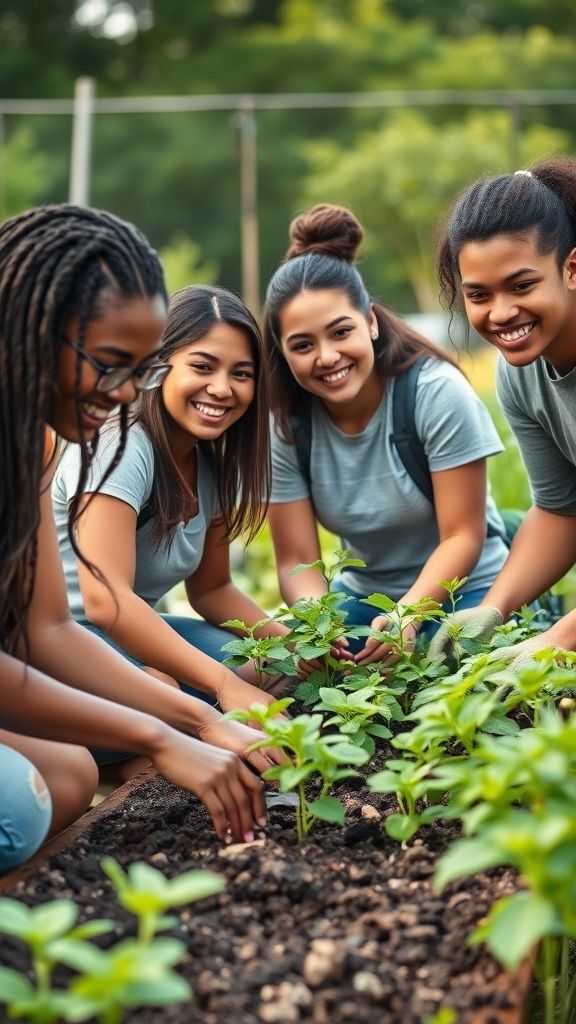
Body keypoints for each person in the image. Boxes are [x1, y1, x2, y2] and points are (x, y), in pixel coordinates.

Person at [0, 204, 272, 873]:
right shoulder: (120, 446)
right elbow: (96, 609)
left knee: (65, 778)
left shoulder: (32, 440)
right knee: (23, 806)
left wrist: (200, 724)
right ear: (34, 329)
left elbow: (47, 633)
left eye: (139, 370)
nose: (126, 396)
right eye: (112, 364)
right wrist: (167, 726)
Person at [262, 203, 509, 664]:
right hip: (363, 601)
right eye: (302, 345)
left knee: (457, 671)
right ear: (281, 352)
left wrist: (407, 617)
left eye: (340, 332)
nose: (326, 356)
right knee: (282, 669)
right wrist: (320, 626)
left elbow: (463, 535)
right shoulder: (288, 425)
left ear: (370, 322)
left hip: (467, 590)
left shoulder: (433, 392)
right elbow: (294, 559)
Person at [52, 284, 289, 749]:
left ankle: (144, 756)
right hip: (59, 639)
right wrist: (223, 687)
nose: (222, 388)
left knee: (264, 666)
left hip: (120, 635)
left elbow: (213, 589)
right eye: (202, 366)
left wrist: (296, 646)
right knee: (172, 695)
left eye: (241, 374)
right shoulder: (118, 445)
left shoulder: (210, 463)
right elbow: (105, 601)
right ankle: (128, 768)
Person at [429, 157, 576, 666]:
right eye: (478, 295)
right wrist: (493, 609)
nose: (501, 313)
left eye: (522, 285)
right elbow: (561, 510)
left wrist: (556, 640)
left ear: (571, 269)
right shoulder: (519, 374)